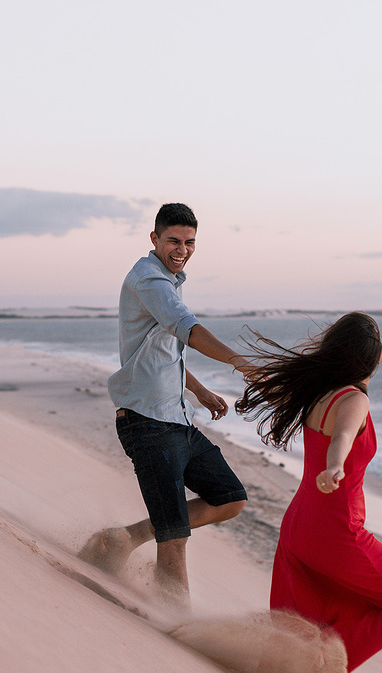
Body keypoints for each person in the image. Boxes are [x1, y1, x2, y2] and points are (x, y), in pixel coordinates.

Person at [78, 203, 254, 610]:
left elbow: (161, 352)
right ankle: (176, 625)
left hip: (176, 419)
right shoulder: (151, 280)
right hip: (146, 423)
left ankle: (124, 538)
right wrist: (238, 360)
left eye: (190, 242)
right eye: (174, 240)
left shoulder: (170, 280)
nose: (182, 249)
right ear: (154, 238)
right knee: (174, 536)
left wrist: (199, 390)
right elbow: (188, 330)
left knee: (230, 497)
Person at [235, 312, 382, 672]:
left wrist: (236, 361)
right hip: (336, 531)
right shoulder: (354, 400)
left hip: (298, 526)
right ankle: (323, 672)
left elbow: (335, 434)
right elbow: (343, 437)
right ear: (378, 358)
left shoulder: (316, 393)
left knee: (302, 622)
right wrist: (335, 466)